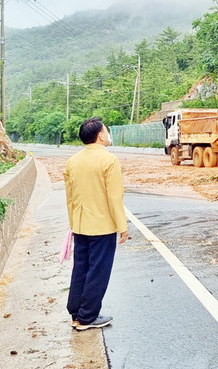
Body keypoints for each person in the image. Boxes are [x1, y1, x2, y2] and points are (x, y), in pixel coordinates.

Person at [64, 117, 129, 331]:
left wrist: (74, 223)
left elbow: (70, 198)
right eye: (106, 130)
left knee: (80, 268)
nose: (108, 133)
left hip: (80, 225)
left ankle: (76, 312)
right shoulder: (108, 160)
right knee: (98, 271)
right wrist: (122, 225)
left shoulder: (72, 161)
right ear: (100, 135)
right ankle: (87, 318)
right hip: (102, 226)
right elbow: (114, 197)